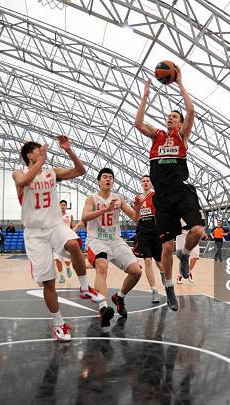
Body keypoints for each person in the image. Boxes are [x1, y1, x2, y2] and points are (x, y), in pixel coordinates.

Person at [14, 135, 103, 342]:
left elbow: (81, 171)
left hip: (55, 225)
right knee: (49, 283)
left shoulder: (51, 173)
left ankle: (84, 287)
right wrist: (41, 162)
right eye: (38, 149)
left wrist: (69, 150)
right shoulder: (18, 173)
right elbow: (24, 181)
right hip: (35, 233)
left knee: (74, 243)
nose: (42, 151)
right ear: (29, 155)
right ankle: (58, 323)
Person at [134, 71, 205, 311]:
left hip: (181, 191)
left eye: (174, 117)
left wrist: (181, 83)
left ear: (180, 122)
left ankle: (184, 255)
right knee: (165, 247)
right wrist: (145, 97)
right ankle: (169, 287)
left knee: (197, 230)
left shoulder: (181, 137)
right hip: (162, 196)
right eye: (168, 117)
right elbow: (138, 123)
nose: (170, 119)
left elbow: (192, 112)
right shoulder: (157, 136)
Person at [81, 168, 143, 331]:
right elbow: (84, 217)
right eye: (105, 177)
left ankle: (119, 297)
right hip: (96, 240)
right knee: (102, 267)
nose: (108, 179)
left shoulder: (119, 199)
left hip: (115, 240)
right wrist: (104, 210)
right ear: (99, 181)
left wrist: (137, 208)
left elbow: (135, 218)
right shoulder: (92, 198)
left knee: (136, 271)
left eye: (111, 177)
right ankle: (103, 308)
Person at [132, 175, 164, 303]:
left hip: (155, 230)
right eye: (143, 181)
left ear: (151, 183)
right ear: (141, 184)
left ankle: (165, 279)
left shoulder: (156, 196)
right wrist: (137, 207)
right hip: (143, 231)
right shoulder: (138, 198)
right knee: (148, 261)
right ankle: (154, 290)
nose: (145, 182)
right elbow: (136, 217)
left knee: (160, 263)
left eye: (147, 181)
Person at [54, 200, 75, 283]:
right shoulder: (55, 216)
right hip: (57, 239)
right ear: (59, 206)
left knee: (67, 259)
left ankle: (68, 268)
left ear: (66, 206)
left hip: (67, 239)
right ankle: (61, 276)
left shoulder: (70, 216)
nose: (63, 206)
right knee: (57, 259)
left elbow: (73, 227)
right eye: (61, 205)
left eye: (64, 205)